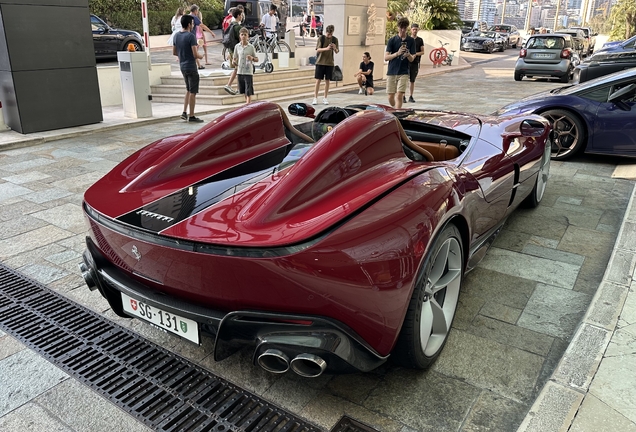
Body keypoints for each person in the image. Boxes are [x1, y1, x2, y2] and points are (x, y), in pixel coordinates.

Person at [173, 14, 204, 123]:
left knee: (188, 89)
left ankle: (184, 111)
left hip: (182, 66)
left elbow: (174, 52)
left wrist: (183, 54)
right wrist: (201, 56)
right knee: (193, 91)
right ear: (189, 24)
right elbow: (195, 54)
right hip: (191, 66)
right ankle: (192, 115)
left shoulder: (176, 36)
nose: (193, 25)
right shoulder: (191, 36)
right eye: (192, 23)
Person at [384, 17, 415, 109]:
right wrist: (397, 53)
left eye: (404, 28)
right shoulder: (392, 40)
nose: (402, 30)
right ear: (398, 27)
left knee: (399, 95)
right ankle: (394, 108)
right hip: (392, 71)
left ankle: (398, 113)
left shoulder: (411, 40)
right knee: (390, 97)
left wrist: (408, 54)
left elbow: (412, 59)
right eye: (401, 27)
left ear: (407, 28)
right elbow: (386, 57)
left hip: (404, 72)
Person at [312, 24, 339, 105]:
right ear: (326, 32)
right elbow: (318, 49)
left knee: (327, 80)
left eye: (331, 34)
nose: (329, 36)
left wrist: (334, 48)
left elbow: (337, 51)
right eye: (328, 34)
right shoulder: (321, 38)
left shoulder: (335, 39)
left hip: (330, 63)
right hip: (320, 62)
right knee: (318, 80)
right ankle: (315, 97)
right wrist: (326, 48)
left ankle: (325, 97)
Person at [233, 27, 258, 104]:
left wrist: (252, 58)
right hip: (240, 70)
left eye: (245, 35)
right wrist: (234, 62)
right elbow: (235, 58)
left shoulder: (251, 47)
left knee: (248, 90)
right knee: (243, 90)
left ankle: (248, 104)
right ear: (240, 36)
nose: (243, 36)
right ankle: (247, 103)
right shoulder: (237, 47)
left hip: (248, 71)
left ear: (248, 36)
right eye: (242, 34)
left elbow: (257, 59)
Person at [224, 8, 245, 95]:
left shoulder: (231, 25)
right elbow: (242, 40)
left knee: (238, 69)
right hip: (237, 51)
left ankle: (238, 88)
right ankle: (229, 85)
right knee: (238, 69)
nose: (242, 16)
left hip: (231, 50)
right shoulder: (238, 27)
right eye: (241, 15)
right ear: (239, 16)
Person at [189, 4, 214, 69]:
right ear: (195, 10)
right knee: (194, 51)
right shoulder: (194, 17)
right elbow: (202, 26)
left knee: (190, 52)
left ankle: (199, 65)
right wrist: (211, 32)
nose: (197, 12)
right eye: (197, 11)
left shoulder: (186, 16)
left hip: (185, 36)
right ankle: (196, 65)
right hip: (192, 36)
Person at [407, 23, 425, 103]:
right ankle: (403, 95)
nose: (414, 31)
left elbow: (422, 52)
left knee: (412, 80)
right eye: (413, 29)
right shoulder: (407, 39)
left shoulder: (420, 40)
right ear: (411, 30)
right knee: (404, 79)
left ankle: (411, 96)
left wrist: (415, 54)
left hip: (415, 62)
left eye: (416, 29)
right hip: (406, 63)